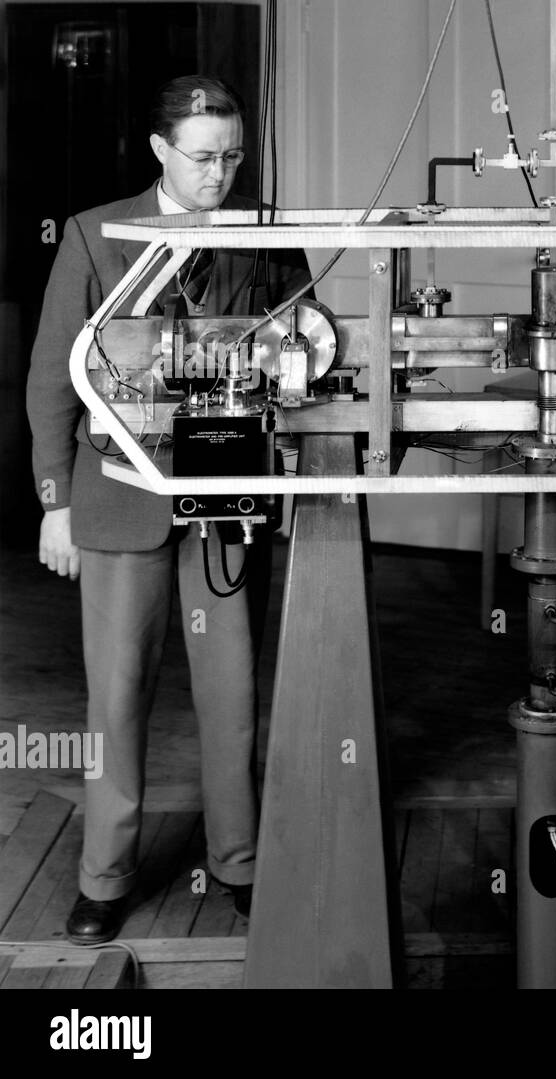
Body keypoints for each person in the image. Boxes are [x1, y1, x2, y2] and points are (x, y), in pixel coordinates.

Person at [26, 75, 312, 944]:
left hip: (224, 502)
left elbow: (305, 351)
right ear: (160, 150)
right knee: (115, 699)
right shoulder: (94, 234)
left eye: (232, 156)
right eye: (202, 157)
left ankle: (241, 863)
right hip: (118, 499)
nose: (218, 173)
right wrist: (54, 502)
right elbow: (51, 380)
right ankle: (104, 878)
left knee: (233, 694)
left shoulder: (265, 235)